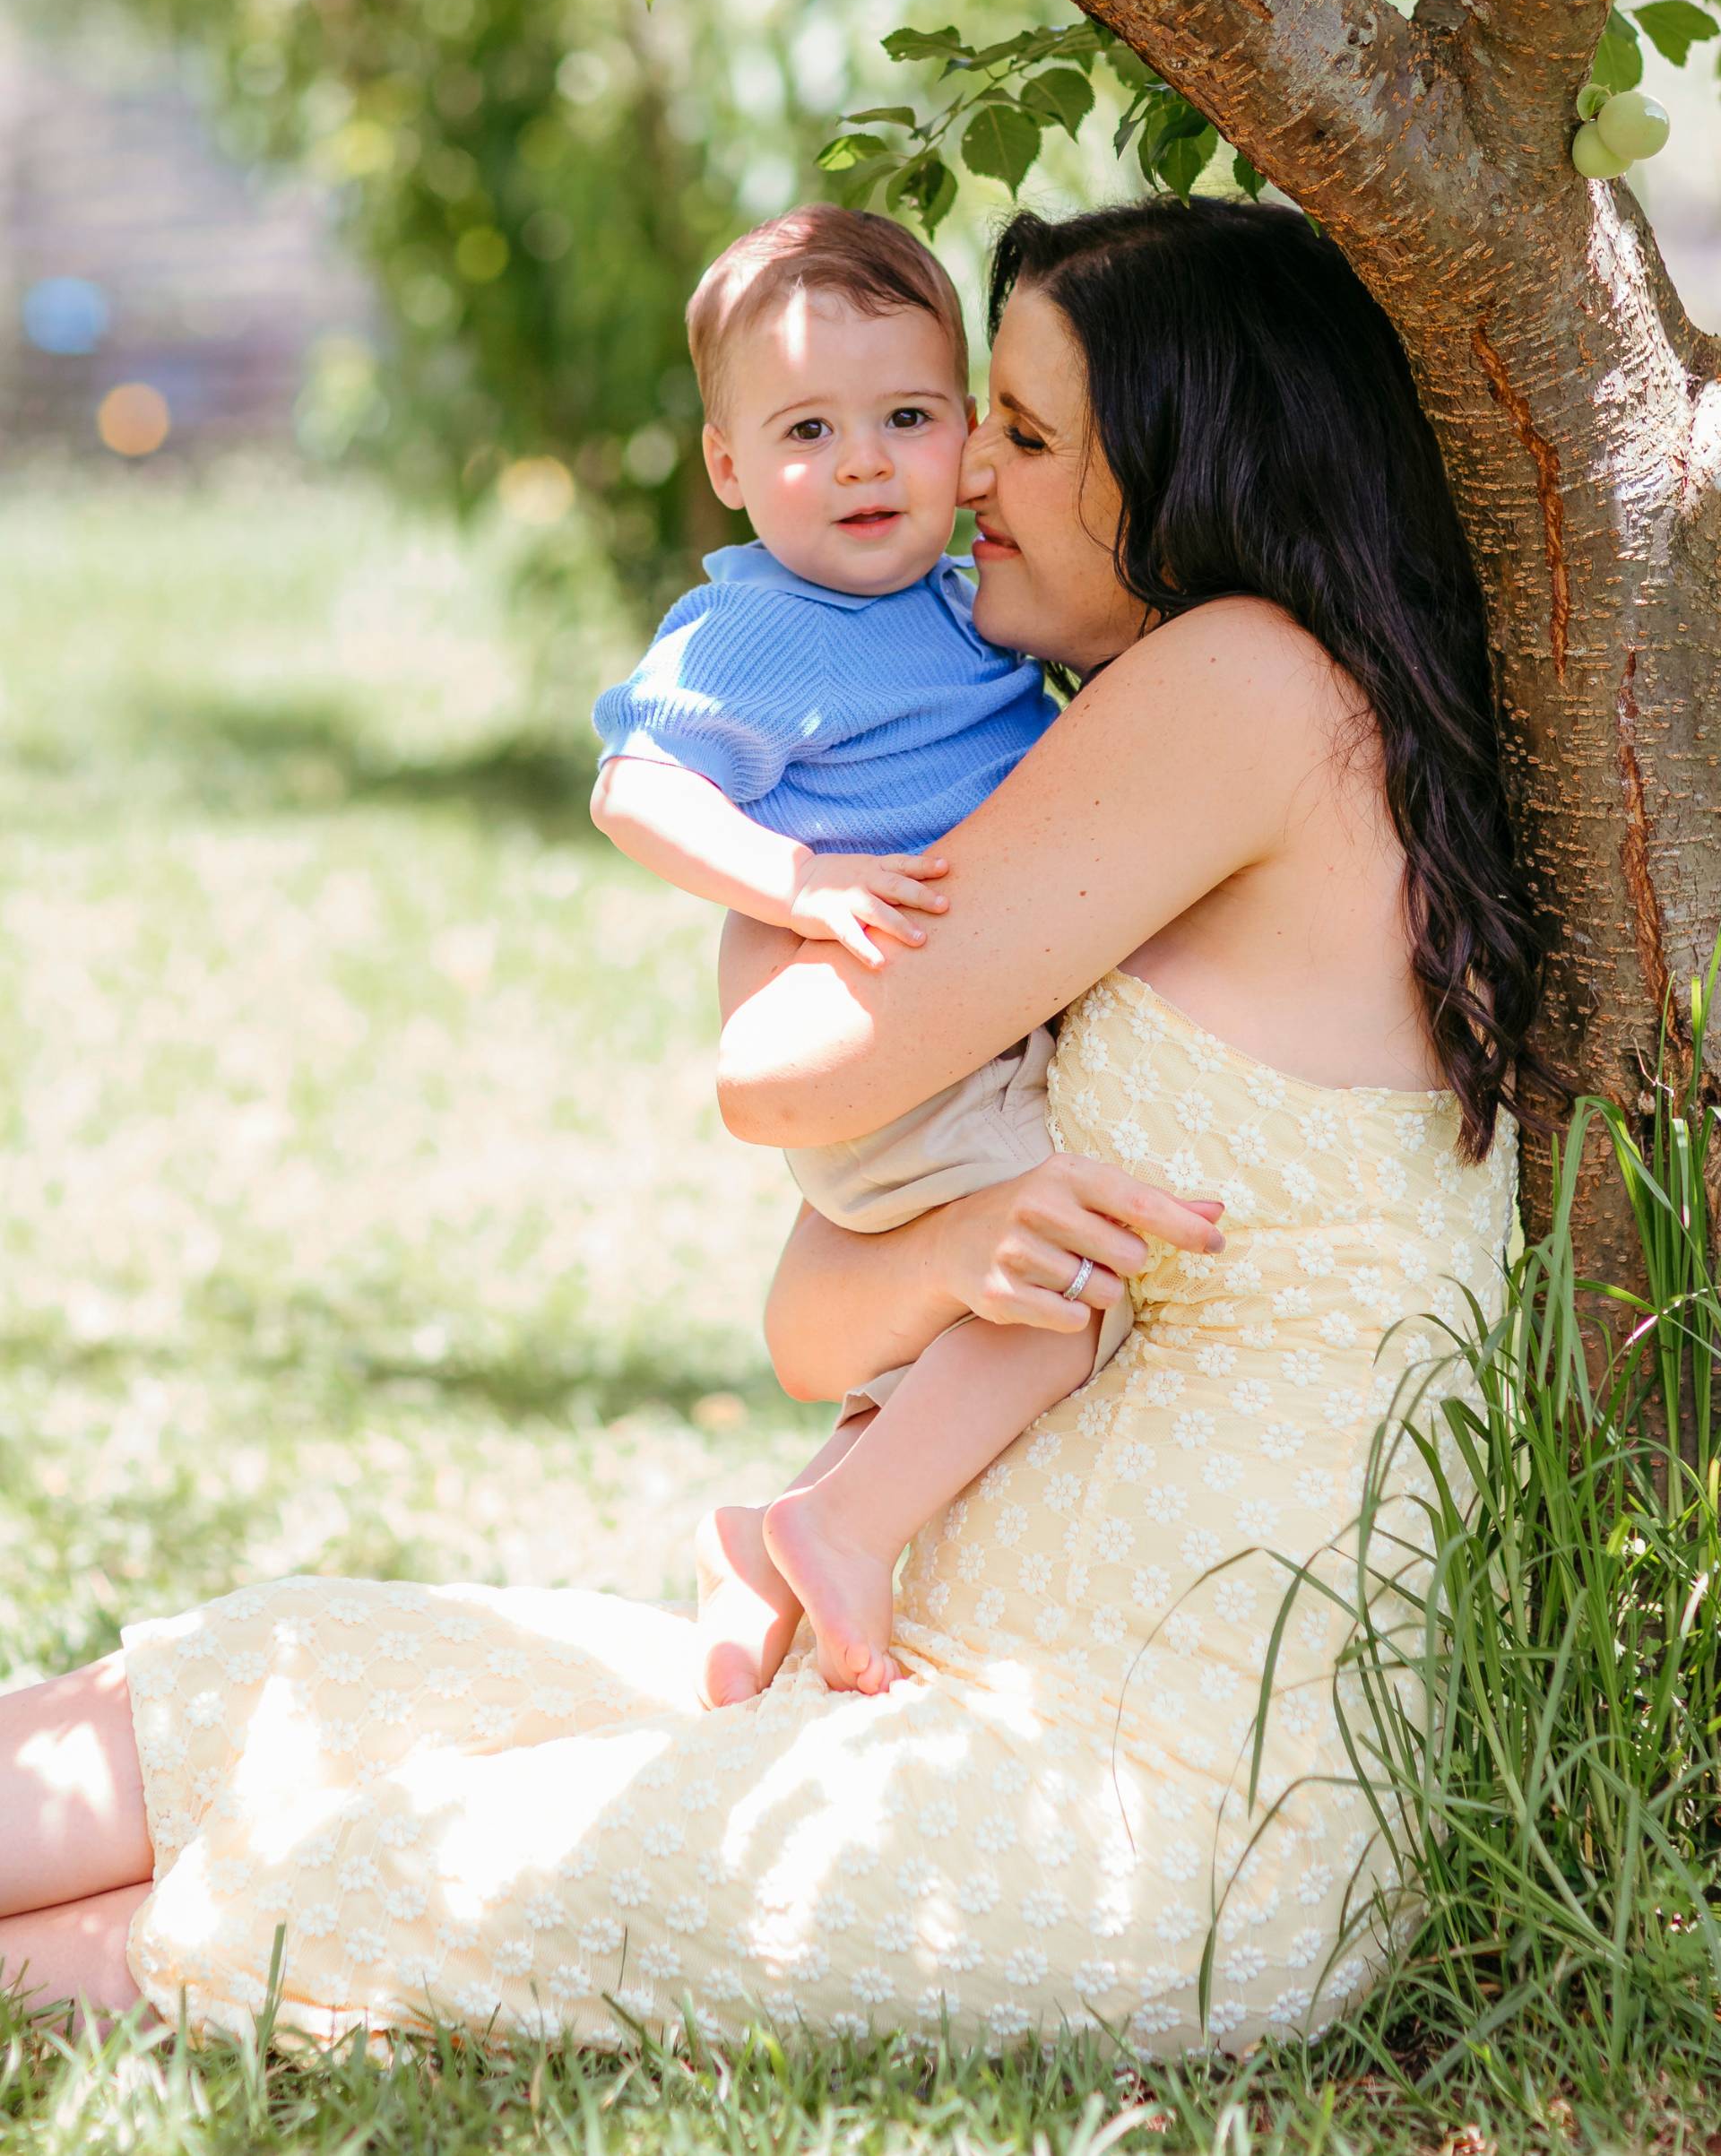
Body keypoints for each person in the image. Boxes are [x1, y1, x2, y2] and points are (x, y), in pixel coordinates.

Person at [0, 197, 1549, 2059]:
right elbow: (811, 1326)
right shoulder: (1163, 721)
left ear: (1187, 459)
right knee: (302, 1664)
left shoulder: (1243, 680)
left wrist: (781, 878)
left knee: (398, 1857)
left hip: (1144, 1793)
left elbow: (788, 1072)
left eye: (1023, 433)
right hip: (911, 1671)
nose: (968, 474)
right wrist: (948, 1245)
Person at [589, 204, 1134, 1706]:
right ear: (727, 465)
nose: (863, 465)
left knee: (962, 1324)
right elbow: (633, 787)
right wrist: (796, 879)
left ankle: (765, 1549)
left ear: (968, 431)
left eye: (906, 417)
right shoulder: (761, 628)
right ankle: (846, 1527)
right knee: (1069, 1290)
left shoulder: (962, 607)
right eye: (807, 431)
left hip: (958, 1030)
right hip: (893, 1050)